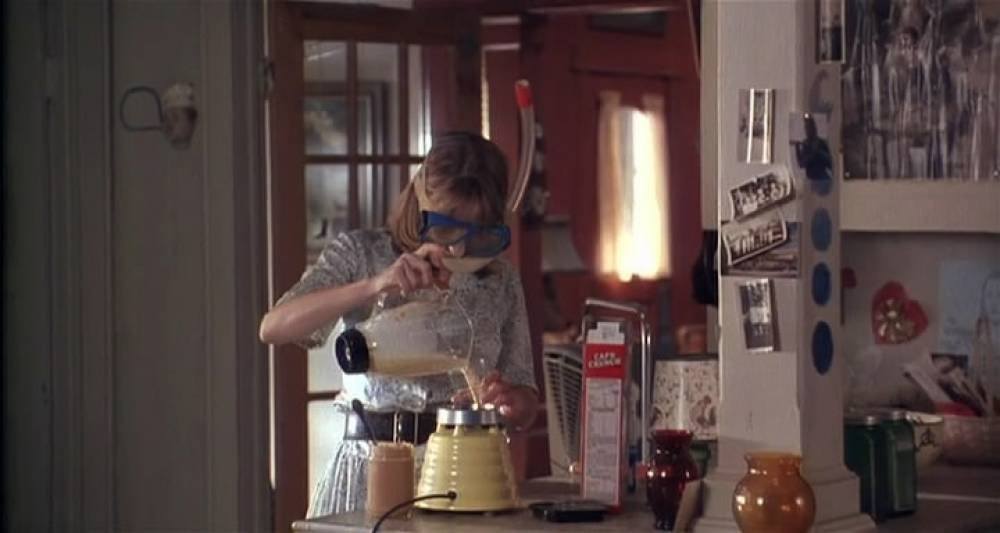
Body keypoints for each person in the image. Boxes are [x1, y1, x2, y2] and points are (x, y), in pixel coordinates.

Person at [259, 131, 540, 517]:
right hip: (368, 468)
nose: (458, 248)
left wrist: (511, 400)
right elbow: (274, 327)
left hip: (463, 473)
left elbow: (525, 402)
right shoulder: (362, 253)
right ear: (420, 200)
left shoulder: (500, 280)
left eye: (478, 233)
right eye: (447, 227)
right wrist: (375, 285)